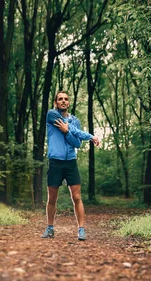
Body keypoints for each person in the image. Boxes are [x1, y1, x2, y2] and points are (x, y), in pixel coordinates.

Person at [41, 91, 100, 241]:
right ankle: (50, 228)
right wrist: (90, 136)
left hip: (71, 162)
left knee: (77, 196)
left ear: (69, 103)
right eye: (60, 99)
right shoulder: (52, 115)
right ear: (56, 102)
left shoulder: (75, 120)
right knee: (52, 198)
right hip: (55, 162)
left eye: (66, 99)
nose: (63, 101)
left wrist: (67, 132)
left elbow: (77, 143)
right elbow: (74, 132)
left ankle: (81, 229)